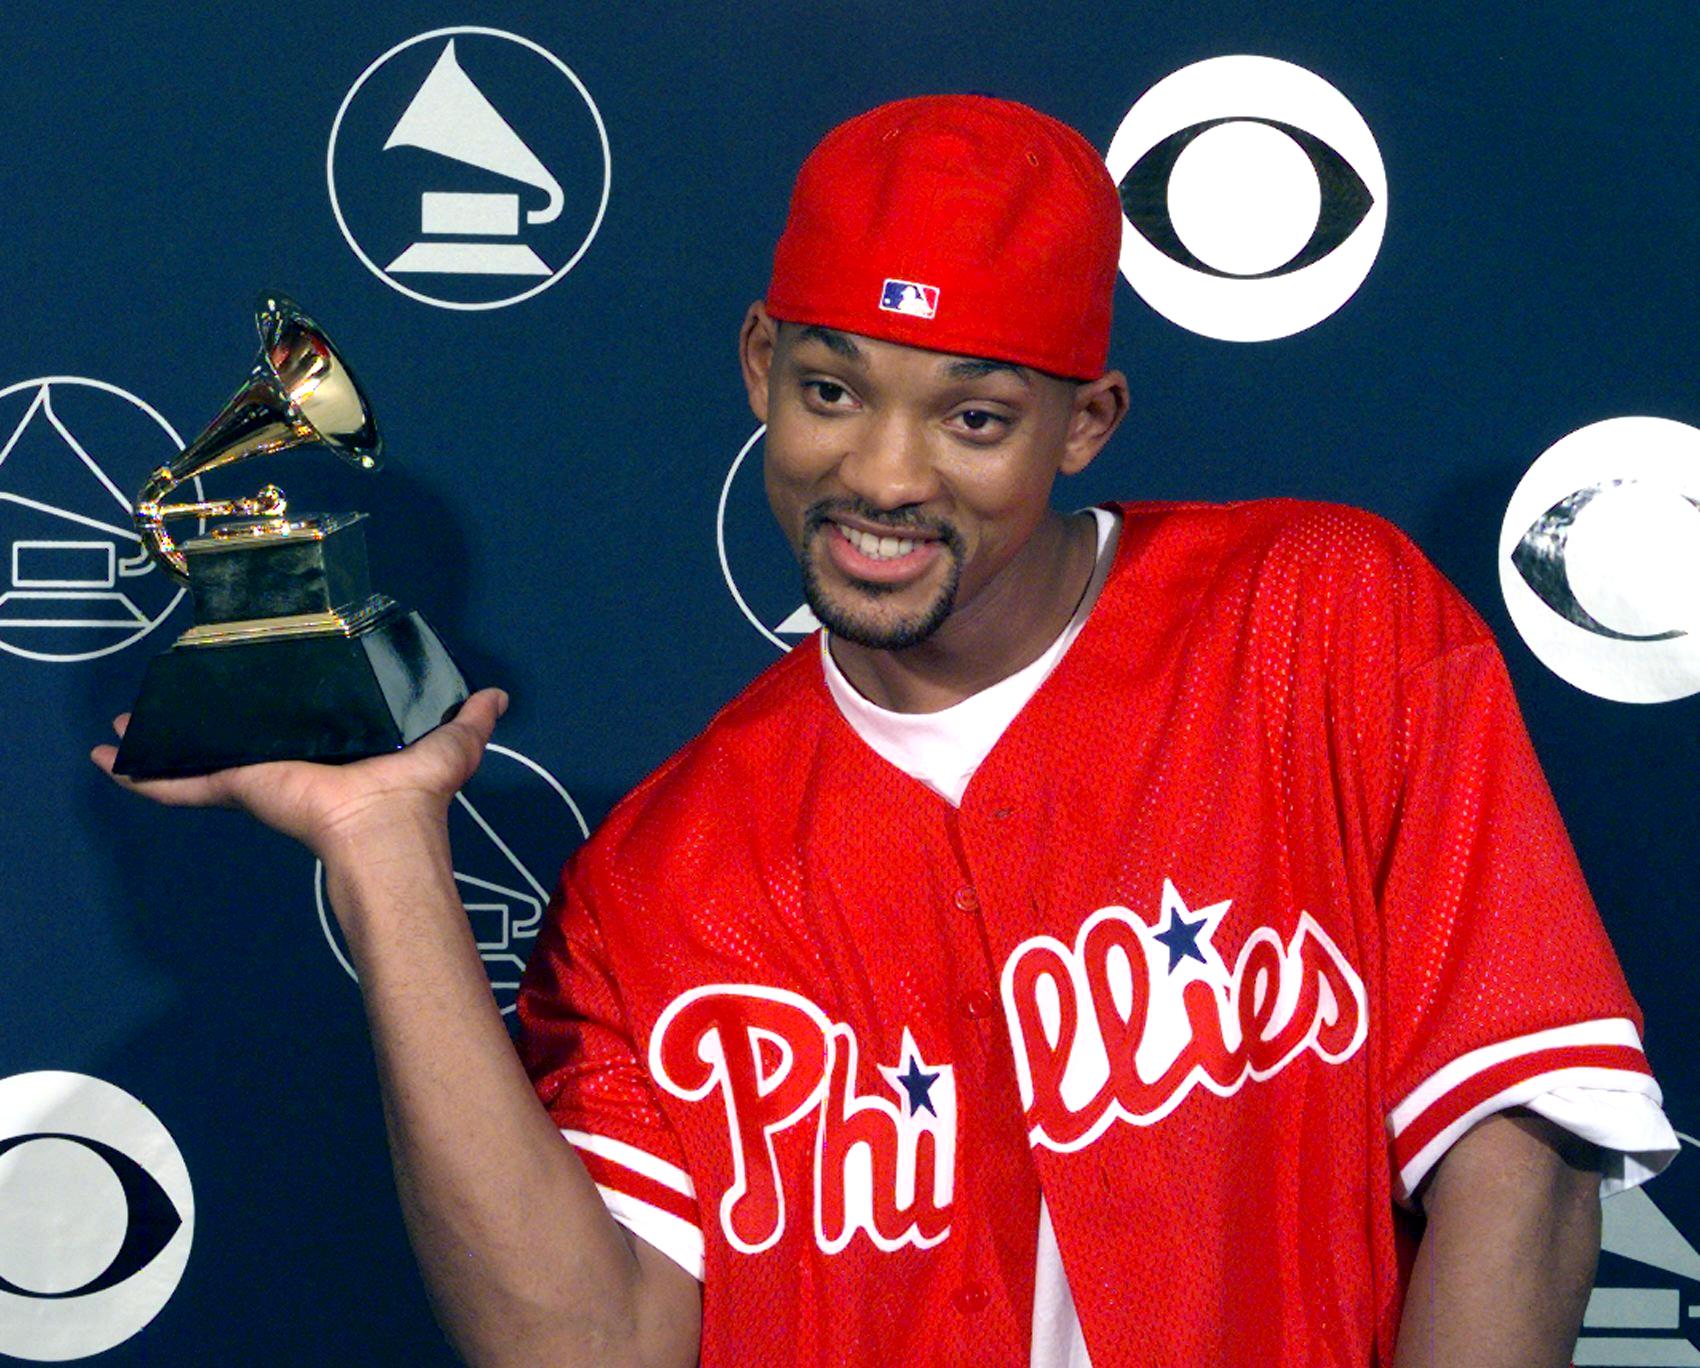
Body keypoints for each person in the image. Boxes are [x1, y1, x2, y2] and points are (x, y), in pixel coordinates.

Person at [94, 95, 1677, 1367]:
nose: (888, 477)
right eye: (836, 393)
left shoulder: (1318, 619)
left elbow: (1517, 1157)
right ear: (761, 369)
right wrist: (385, 848)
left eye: (975, 417)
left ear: (1088, 422)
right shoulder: (668, 876)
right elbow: (584, 1345)